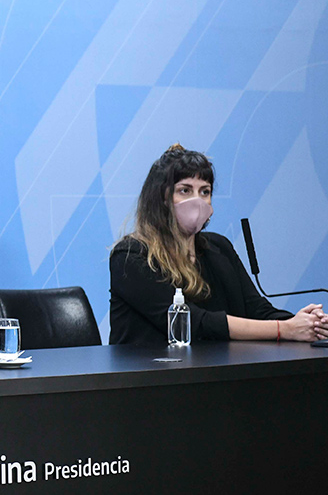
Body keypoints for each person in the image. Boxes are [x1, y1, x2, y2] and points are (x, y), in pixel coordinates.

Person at [109, 144, 328, 345]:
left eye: (205, 192)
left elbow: (257, 310)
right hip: (154, 373)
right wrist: (284, 329)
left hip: (219, 370)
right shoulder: (130, 255)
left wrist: (308, 324)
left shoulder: (218, 247)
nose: (197, 200)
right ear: (162, 198)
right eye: (185, 190)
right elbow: (194, 323)